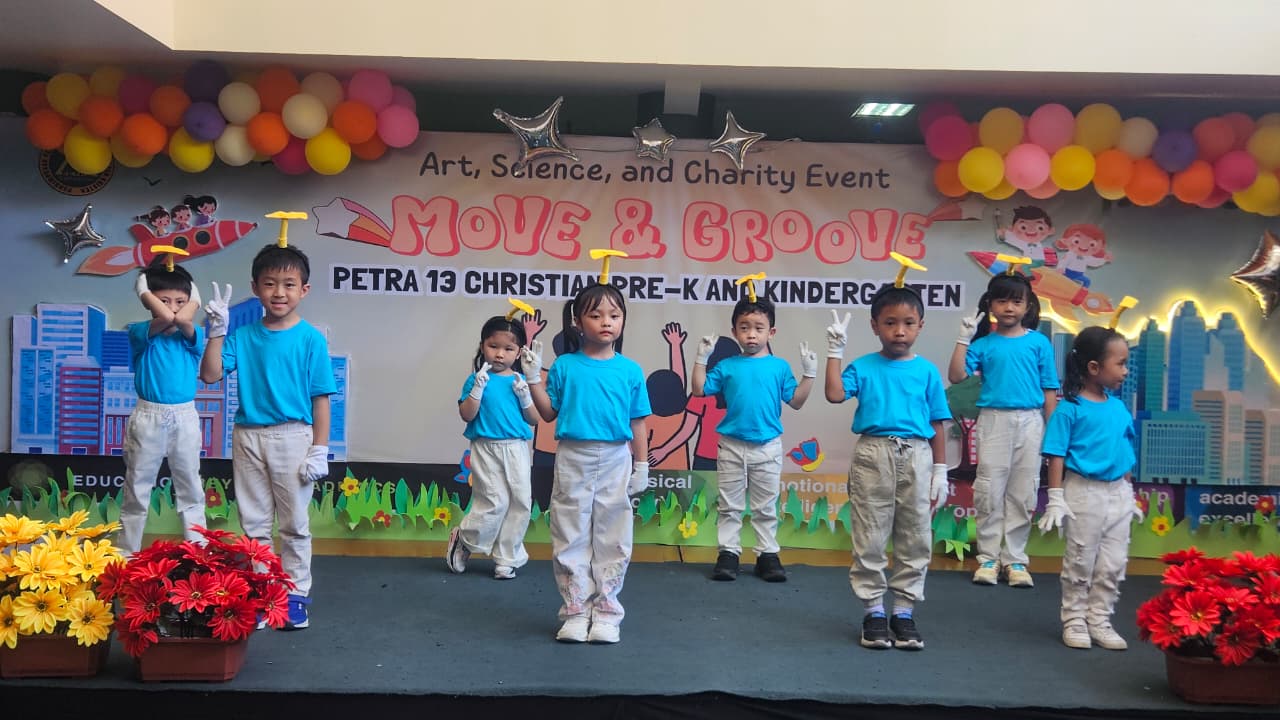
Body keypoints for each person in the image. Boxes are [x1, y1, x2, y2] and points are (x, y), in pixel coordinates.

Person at [199, 241, 336, 631]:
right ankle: (264, 595)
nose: (279, 292)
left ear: (304, 290)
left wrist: (319, 448)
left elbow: (321, 398)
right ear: (255, 287)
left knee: (294, 524)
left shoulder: (310, 339)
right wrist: (217, 332)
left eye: (289, 284)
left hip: (293, 437)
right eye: (270, 283)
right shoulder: (242, 336)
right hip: (247, 436)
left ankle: (294, 596)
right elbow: (209, 375)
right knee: (254, 524)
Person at [524, 271, 650, 645]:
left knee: (614, 536)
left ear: (623, 320)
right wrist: (532, 379)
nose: (606, 322)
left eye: (614, 315)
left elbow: (638, 422)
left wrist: (642, 465)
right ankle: (576, 611)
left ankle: (607, 613)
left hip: (616, 457)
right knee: (570, 533)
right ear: (578, 322)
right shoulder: (565, 366)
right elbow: (548, 414)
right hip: (573, 456)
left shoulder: (630, 370)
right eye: (595, 315)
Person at [824, 284, 951, 651]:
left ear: (921, 325)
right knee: (870, 534)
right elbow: (834, 394)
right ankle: (874, 612)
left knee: (916, 535)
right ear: (875, 325)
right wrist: (835, 351)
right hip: (873, 453)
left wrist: (940, 470)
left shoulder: (927, 371)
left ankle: (904, 613)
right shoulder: (864, 366)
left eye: (908, 323)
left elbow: (938, 422)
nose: (899, 331)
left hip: (918, 453)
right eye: (890, 322)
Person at [692, 291, 815, 583]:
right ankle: (728, 554)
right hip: (731, 446)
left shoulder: (779, 367)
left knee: (766, 506)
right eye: (744, 327)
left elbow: (796, 401)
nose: (751, 334)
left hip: (767, 447)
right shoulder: (727, 366)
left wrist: (809, 374)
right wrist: (701, 358)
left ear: (771, 332)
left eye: (759, 328)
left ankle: (767, 555)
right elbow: (699, 390)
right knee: (729, 505)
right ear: (734, 331)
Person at [948, 270, 1059, 588]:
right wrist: (963, 339)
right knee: (989, 490)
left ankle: (1015, 560)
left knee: (1024, 492)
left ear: (1028, 306)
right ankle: (988, 558)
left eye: (1016, 301)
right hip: (994, 420)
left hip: (1031, 421)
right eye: (1002, 301)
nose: (1009, 307)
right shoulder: (983, 344)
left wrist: (1053, 434)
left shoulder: (1039, 343)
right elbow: (956, 376)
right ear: (990, 305)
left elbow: (1049, 390)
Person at [1037, 326, 1141, 651]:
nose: (1125, 371)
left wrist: (1129, 494)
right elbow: (1055, 454)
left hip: (1118, 493)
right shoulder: (1069, 409)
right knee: (1081, 560)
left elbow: (1124, 452)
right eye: (1120, 363)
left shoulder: (1119, 408)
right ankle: (1074, 619)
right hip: (1084, 493)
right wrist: (1055, 498)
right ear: (1094, 367)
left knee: (1113, 563)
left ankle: (1099, 619)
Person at [119, 260, 206, 556]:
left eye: (182, 302)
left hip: (185, 417)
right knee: (137, 488)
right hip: (148, 416)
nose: (174, 309)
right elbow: (167, 317)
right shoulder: (140, 332)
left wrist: (190, 300)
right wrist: (145, 292)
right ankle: (126, 555)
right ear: (150, 303)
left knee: (190, 488)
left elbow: (178, 320)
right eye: (163, 300)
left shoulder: (192, 336)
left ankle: (199, 555)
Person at [446, 313, 540, 580]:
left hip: (517, 448)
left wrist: (525, 396)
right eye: (493, 346)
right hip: (486, 447)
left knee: (520, 501)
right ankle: (465, 538)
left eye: (508, 348)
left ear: (519, 352)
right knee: (494, 501)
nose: (500, 354)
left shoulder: (520, 381)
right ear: (482, 346)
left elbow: (534, 419)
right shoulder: (477, 379)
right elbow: (467, 414)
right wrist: (476, 389)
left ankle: (506, 558)